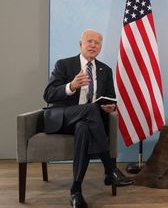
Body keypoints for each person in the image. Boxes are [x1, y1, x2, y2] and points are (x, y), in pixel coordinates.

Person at [43, 29, 134, 208]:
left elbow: (110, 98)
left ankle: (75, 190)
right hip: (62, 117)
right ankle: (110, 169)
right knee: (91, 109)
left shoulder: (105, 70)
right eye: (89, 41)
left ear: (100, 47)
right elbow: (48, 94)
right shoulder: (64, 65)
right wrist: (71, 86)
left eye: (97, 43)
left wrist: (110, 107)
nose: (93, 45)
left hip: (87, 121)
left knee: (84, 127)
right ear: (81, 44)